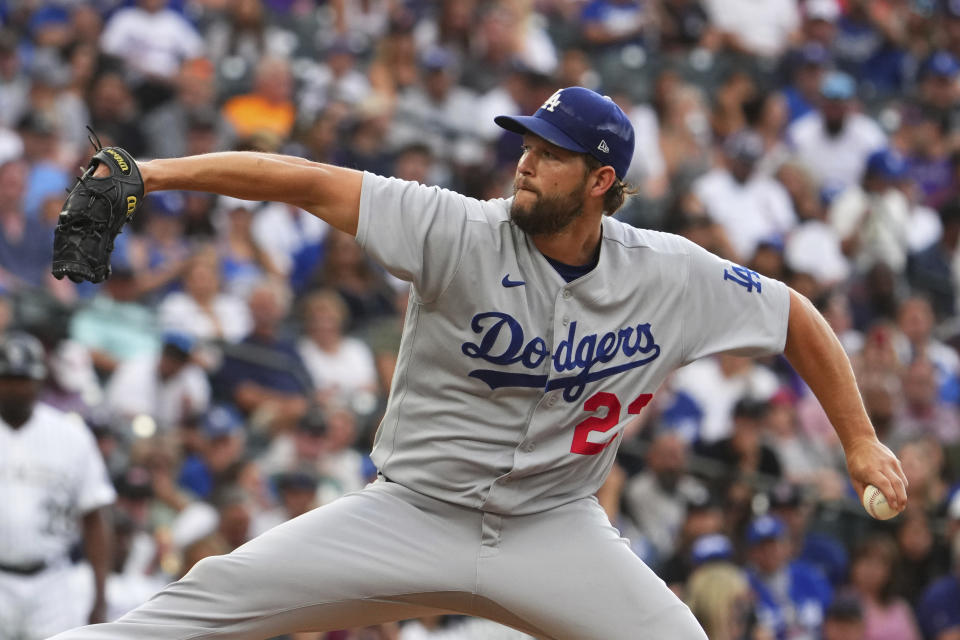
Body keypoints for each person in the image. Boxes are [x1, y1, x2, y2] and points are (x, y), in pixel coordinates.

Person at [54, 86, 907, 640]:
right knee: (202, 608)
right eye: (525, 147)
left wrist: (859, 440)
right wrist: (153, 176)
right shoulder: (456, 226)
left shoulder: (669, 274)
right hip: (411, 514)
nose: (526, 164)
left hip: (555, 527)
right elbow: (303, 181)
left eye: (550, 154)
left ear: (602, 179)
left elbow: (793, 314)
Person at [0, 332, 115, 638]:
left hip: (51, 581)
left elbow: (94, 517)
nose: (16, 388)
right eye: (8, 378)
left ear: (40, 380)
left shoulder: (71, 436)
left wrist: (100, 595)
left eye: (24, 379)